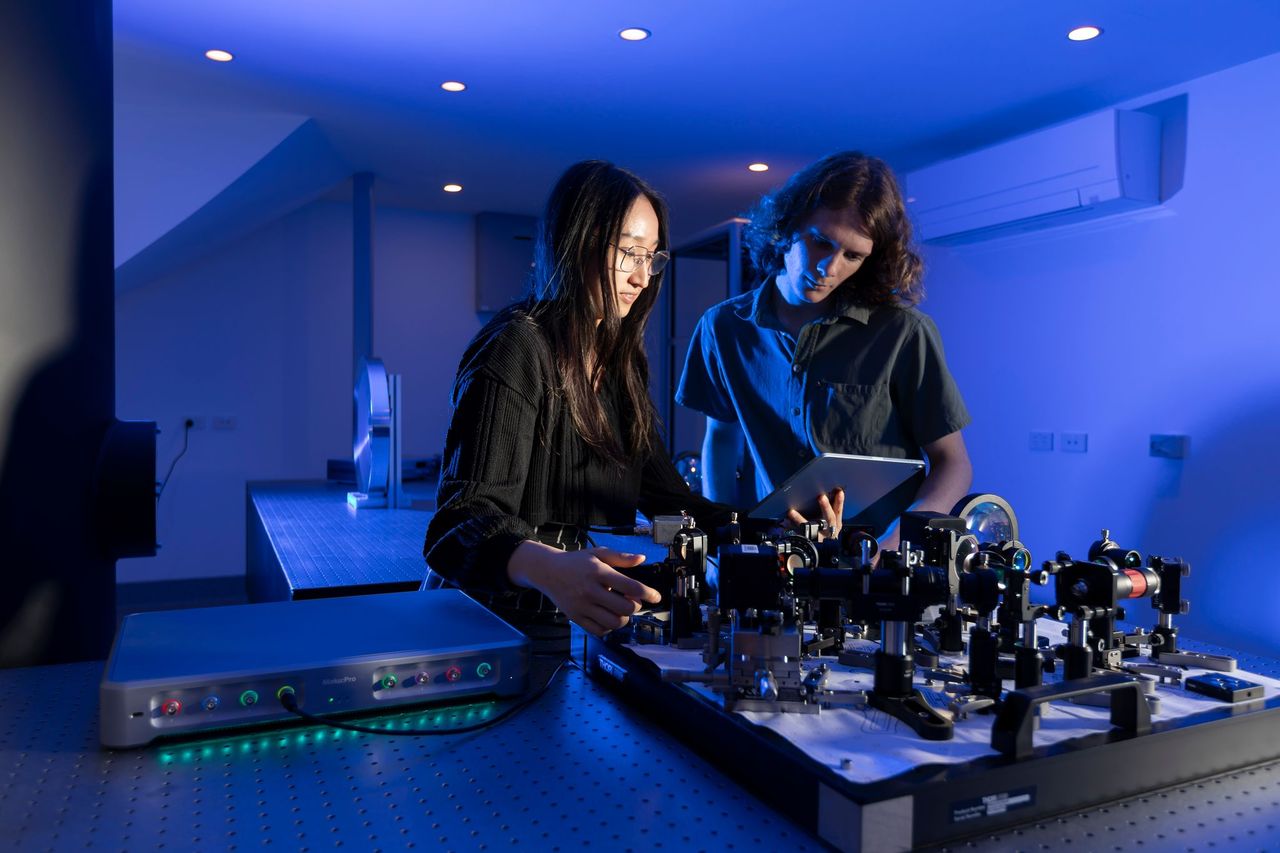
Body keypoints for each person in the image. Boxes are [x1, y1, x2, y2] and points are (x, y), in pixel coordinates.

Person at [423, 160, 841, 640]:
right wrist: (549, 567)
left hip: (582, 628)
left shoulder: (620, 366)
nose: (643, 278)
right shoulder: (518, 345)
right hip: (498, 630)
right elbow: (459, 525)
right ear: (577, 243)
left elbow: (672, 500)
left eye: (652, 258)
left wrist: (774, 527)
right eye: (629, 253)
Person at [676, 151, 971, 552]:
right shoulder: (723, 327)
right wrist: (723, 542)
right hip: (775, 555)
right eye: (821, 243)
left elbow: (953, 464)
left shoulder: (904, 333)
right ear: (787, 226)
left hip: (879, 559)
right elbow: (722, 440)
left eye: (853, 256)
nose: (830, 268)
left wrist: (895, 542)